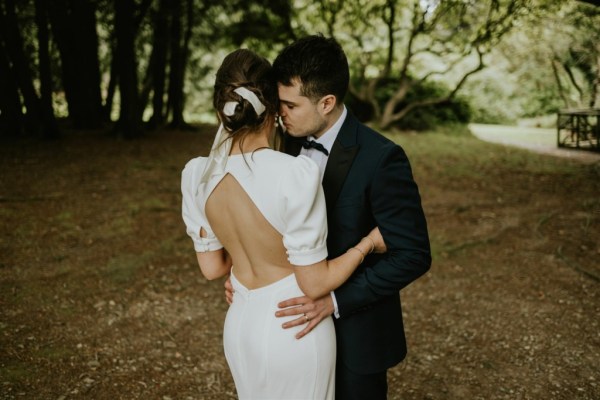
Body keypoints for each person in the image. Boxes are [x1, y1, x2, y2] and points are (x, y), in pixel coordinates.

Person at [181, 49, 386, 399]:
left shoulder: (196, 174)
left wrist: (245, 257)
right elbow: (314, 281)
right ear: (273, 110)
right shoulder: (293, 174)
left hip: (240, 325)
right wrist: (367, 244)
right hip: (293, 327)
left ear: (222, 110)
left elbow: (213, 268)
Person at [269, 34, 432, 399]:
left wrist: (335, 302)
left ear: (326, 102)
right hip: (288, 329)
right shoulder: (281, 144)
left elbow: (414, 255)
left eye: (289, 105)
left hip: (355, 337)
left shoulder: (382, 159)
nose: (280, 114)